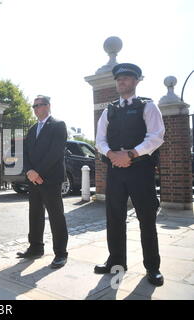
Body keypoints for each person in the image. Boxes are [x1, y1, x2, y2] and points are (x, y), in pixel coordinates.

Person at [95, 63, 165, 286]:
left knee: (146, 218)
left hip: (141, 171)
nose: (121, 81)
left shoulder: (148, 106)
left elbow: (156, 136)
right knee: (114, 218)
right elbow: (99, 141)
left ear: (136, 81)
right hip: (115, 171)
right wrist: (113, 155)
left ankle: (152, 267)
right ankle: (116, 262)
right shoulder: (109, 110)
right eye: (119, 79)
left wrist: (131, 154)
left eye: (126, 78)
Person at [17, 95, 69, 269]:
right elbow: (25, 154)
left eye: (39, 105)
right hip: (34, 179)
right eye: (34, 105)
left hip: (51, 178)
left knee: (56, 215)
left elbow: (55, 153)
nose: (36, 108)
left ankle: (61, 253)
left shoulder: (58, 125)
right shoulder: (32, 129)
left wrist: (38, 172)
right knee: (35, 213)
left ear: (48, 106)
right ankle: (36, 247)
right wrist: (30, 171)